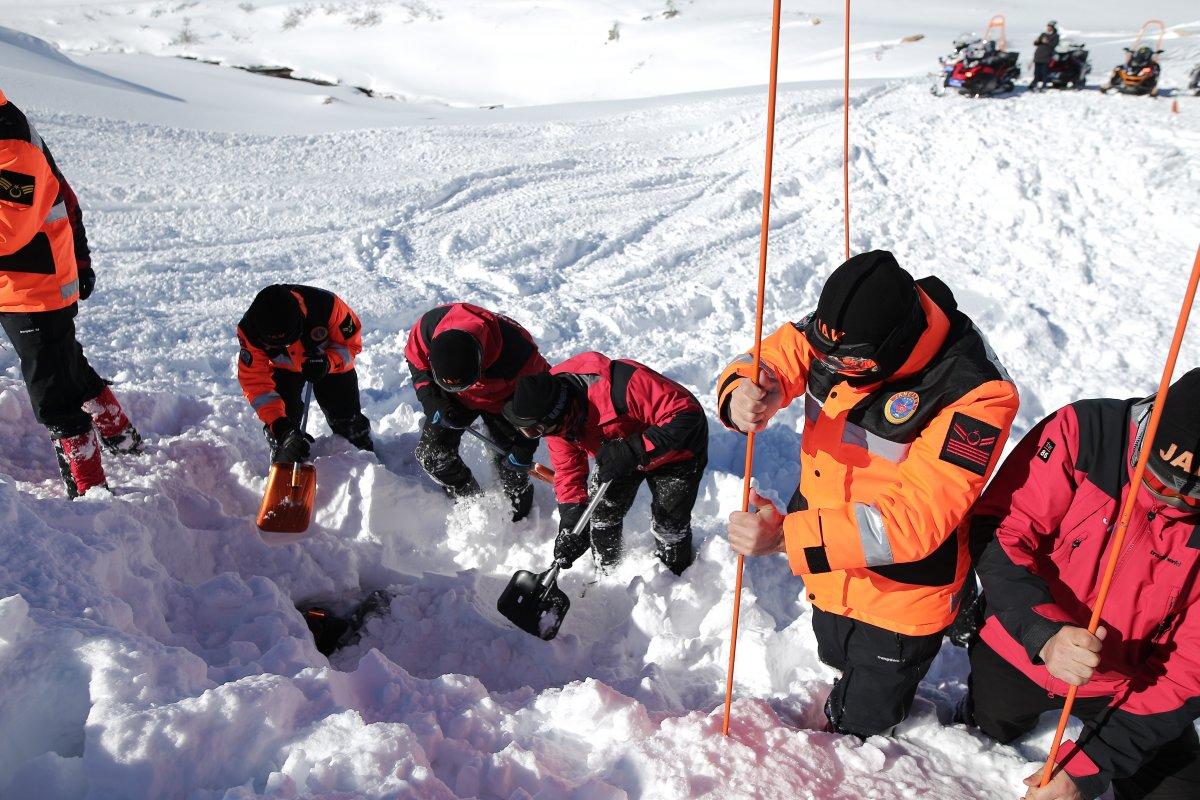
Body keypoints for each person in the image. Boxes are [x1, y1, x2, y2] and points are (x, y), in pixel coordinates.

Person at [720, 250, 1019, 737]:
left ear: (897, 344)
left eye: (851, 363)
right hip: (831, 563)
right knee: (835, 651)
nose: (832, 368)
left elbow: (912, 523)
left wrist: (783, 541)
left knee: (867, 713)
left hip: (903, 592)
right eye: (825, 353)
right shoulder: (844, 330)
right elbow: (773, 354)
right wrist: (746, 389)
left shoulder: (977, 395)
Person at [965, 370, 1200, 800]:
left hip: (1126, 683)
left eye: (1190, 498)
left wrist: (1088, 769)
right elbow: (1000, 530)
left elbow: (1188, 673)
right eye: (1154, 477)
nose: (1170, 499)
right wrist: (1045, 634)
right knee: (991, 721)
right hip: (1019, 644)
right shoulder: (1086, 431)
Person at [0, 87, 141, 498]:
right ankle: (119, 431)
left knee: (53, 392)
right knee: (65, 363)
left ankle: (90, 492)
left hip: (34, 284)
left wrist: (79, 262)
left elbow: (8, 231)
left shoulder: (10, 143)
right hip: (19, 279)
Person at [503, 353, 707, 574]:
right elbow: (568, 472)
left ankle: (675, 576)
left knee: (669, 524)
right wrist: (571, 523)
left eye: (536, 430)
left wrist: (633, 449)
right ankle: (608, 572)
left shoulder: (624, 385)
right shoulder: (556, 421)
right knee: (601, 514)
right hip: (616, 456)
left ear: (558, 414)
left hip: (676, 451)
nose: (537, 436)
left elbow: (687, 414)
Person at [405, 303, 548, 522]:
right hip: (452, 402)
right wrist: (434, 404)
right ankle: (471, 501)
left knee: (512, 463)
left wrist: (524, 447)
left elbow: (542, 403)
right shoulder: (428, 329)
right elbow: (417, 364)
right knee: (432, 456)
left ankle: (520, 517)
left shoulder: (520, 354)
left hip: (506, 401)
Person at [237, 284, 372, 464]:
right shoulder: (250, 330)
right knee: (285, 428)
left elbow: (352, 345)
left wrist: (328, 362)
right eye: (273, 345)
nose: (281, 348)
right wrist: (279, 425)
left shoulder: (327, 306)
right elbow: (256, 383)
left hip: (326, 363)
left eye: (287, 341)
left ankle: (363, 456)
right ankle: (284, 458)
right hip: (283, 370)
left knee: (345, 416)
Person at [1031, 21, 1061, 91]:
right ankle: (1034, 85)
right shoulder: (1043, 34)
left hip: (1046, 57)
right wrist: (1037, 41)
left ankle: (1044, 86)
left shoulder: (1055, 36)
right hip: (1038, 56)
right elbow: (1036, 43)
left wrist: (1047, 42)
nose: (1048, 28)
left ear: (1053, 28)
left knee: (1044, 73)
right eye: (1048, 27)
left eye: (1050, 27)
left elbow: (1054, 45)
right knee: (1036, 73)